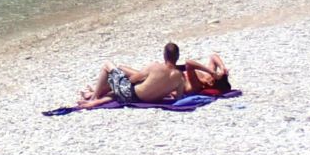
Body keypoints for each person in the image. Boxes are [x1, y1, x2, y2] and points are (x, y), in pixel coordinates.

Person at [74, 43, 229, 108]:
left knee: (109, 65)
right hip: (146, 97)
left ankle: (93, 97)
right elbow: (178, 97)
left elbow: (132, 80)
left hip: (134, 93)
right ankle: (93, 96)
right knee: (120, 83)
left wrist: (146, 77)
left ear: (164, 55)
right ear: (176, 57)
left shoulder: (155, 66)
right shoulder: (179, 78)